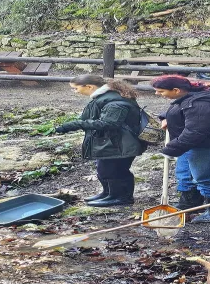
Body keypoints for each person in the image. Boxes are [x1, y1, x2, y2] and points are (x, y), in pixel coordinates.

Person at [151, 75, 210, 222]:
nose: (157, 94)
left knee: (207, 176)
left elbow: (195, 132)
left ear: (175, 90)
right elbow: (180, 108)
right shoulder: (190, 96)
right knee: (185, 173)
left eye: (160, 91)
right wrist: (165, 117)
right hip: (197, 142)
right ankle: (190, 204)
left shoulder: (202, 104)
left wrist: (170, 149)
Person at [53, 74, 146, 207]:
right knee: (104, 169)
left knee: (116, 170)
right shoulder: (102, 97)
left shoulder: (115, 102)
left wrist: (77, 124)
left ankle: (122, 198)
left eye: (76, 88)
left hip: (121, 143)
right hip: (112, 141)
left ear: (89, 86)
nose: (75, 91)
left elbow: (110, 124)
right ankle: (108, 193)